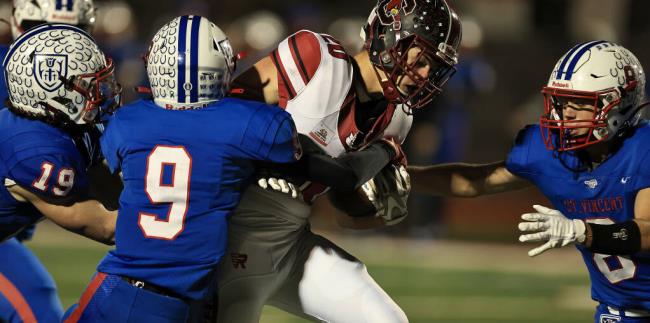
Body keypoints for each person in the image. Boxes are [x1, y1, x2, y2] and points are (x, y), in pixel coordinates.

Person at [62, 15, 404, 323]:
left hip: (121, 282)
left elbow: (105, 178)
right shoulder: (248, 123)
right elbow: (340, 174)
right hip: (187, 295)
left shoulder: (128, 122)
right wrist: (387, 147)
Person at [216, 0, 462, 322]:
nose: (426, 74)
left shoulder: (397, 119)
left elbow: (346, 214)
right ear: (390, 37)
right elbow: (221, 116)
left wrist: (378, 208)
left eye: (437, 68)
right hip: (231, 229)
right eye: (423, 58)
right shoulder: (316, 60)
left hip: (291, 244)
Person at [407, 41, 650, 322]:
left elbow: (647, 231)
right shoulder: (548, 153)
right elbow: (475, 181)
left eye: (580, 103)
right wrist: (401, 176)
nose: (566, 113)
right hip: (619, 313)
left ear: (618, 106)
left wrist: (583, 232)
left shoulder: (642, 148)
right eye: (561, 101)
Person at [0, 20, 118, 322]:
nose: (102, 91)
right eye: (90, 84)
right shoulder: (35, 151)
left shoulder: (57, 125)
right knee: (34, 307)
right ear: (52, 89)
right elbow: (105, 227)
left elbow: (116, 183)